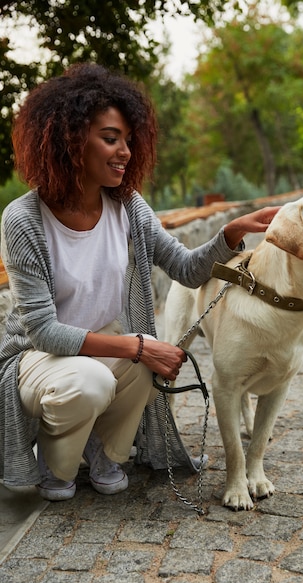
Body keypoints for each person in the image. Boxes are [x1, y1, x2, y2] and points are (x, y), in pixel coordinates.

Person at [0, 63, 278, 501]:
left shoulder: (127, 205)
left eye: (129, 140)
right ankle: (56, 464)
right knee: (96, 378)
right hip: (39, 358)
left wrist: (231, 234)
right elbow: (43, 331)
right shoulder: (23, 218)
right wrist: (138, 345)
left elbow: (185, 267)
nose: (125, 151)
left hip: (104, 349)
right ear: (69, 141)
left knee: (143, 364)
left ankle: (105, 450)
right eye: (111, 138)